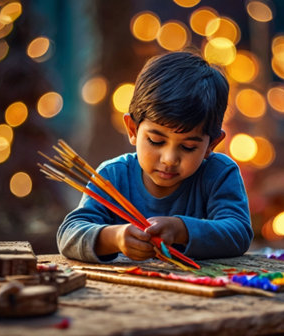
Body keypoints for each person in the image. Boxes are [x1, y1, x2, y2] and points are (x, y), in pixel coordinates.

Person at [57, 51, 253, 263]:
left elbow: (239, 232)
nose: (169, 159)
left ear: (211, 145)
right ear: (132, 129)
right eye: (156, 141)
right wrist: (114, 238)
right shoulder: (112, 176)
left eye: (188, 147)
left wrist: (180, 229)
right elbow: (69, 234)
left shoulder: (219, 174)